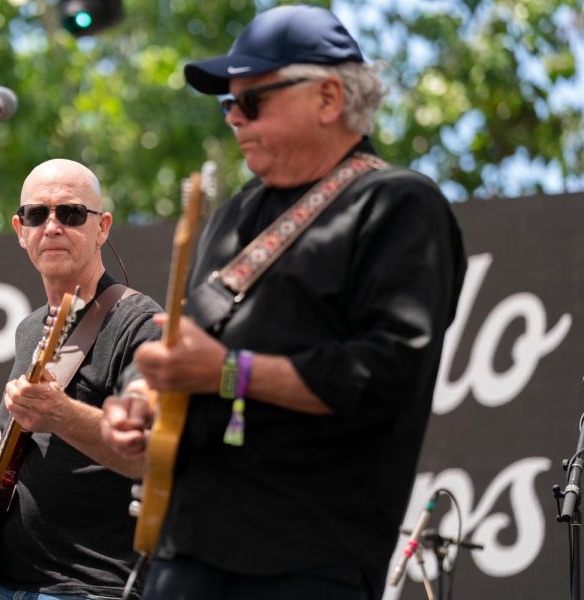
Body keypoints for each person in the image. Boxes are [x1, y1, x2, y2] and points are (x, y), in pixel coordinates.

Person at [100, 5, 467, 600]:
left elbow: (387, 375)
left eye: (253, 101)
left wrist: (226, 373)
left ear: (327, 97)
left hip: (307, 559)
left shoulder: (399, 205)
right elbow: (181, 347)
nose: (233, 119)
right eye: (227, 104)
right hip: (183, 548)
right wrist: (138, 398)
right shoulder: (232, 215)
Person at [0, 159, 161, 599]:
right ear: (20, 231)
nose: (52, 226)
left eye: (72, 213)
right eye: (37, 215)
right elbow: (28, 451)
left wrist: (61, 414)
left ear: (103, 228)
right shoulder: (28, 329)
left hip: (88, 586)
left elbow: (152, 456)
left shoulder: (139, 322)